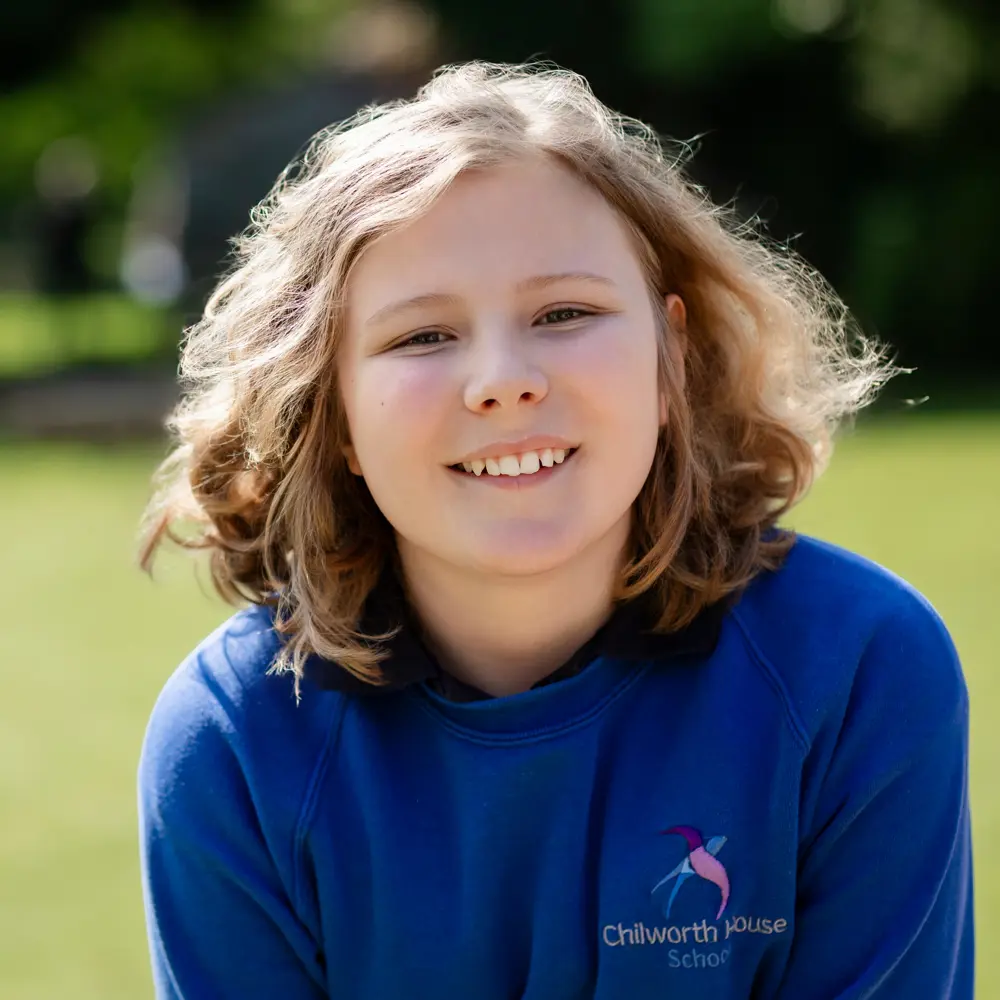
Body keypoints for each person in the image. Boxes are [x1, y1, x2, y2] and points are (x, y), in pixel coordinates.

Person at [136, 61, 974, 999]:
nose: (502, 378)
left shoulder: (856, 668)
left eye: (564, 313)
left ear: (671, 358)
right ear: (333, 415)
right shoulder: (234, 739)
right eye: (422, 336)